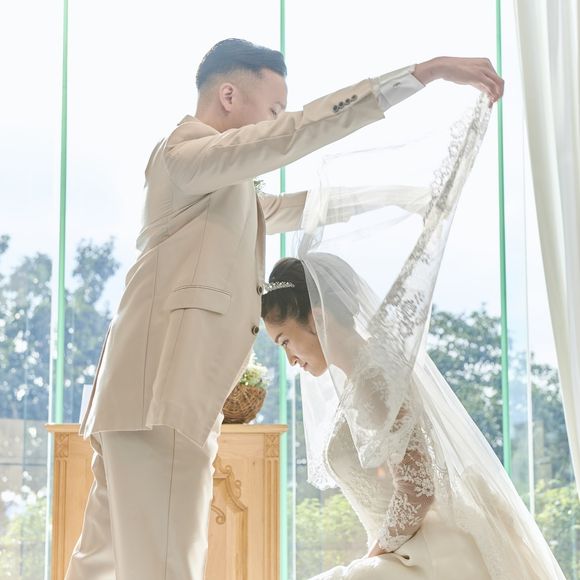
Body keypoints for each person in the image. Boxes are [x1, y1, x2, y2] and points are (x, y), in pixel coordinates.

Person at [66, 38, 504, 579]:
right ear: (229, 95)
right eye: (273, 109)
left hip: (135, 397)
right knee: (165, 567)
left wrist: (398, 195)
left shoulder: (212, 183)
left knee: (100, 561)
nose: (277, 122)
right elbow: (296, 133)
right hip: (162, 396)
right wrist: (422, 73)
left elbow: (286, 209)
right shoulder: (185, 155)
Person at [260, 95, 565, 579]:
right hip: (403, 550)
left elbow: (419, 487)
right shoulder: (361, 374)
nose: (290, 359)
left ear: (315, 318)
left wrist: (374, 554)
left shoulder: (374, 374)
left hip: (424, 554)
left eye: (285, 342)